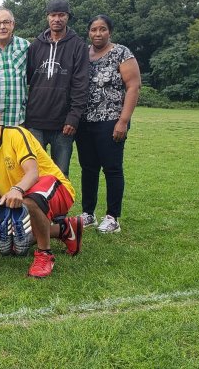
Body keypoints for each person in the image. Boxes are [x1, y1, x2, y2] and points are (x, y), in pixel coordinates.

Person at [0, 98, 84, 278]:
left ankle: (44, 254)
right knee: (11, 247)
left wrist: (17, 190)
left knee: (30, 201)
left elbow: (33, 173)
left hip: (56, 189)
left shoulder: (16, 134)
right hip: (22, 200)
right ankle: (65, 229)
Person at [76, 15, 141, 234]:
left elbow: (133, 86)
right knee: (88, 168)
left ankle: (113, 217)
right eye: (93, 30)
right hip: (85, 122)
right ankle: (88, 213)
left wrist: (123, 121)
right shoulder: (84, 54)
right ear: (89, 32)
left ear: (109, 32)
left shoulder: (121, 53)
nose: (97, 33)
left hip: (111, 120)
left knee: (112, 169)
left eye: (102, 29)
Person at [24, 0, 89, 177]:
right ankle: (38, 206)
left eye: (62, 15)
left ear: (68, 17)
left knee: (60, 173)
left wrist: (74, 117)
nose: (57, 19)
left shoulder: (78, 46)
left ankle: (59, 206)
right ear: (47, 17)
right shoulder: (36, 46)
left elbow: (81, 84)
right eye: (53, 15)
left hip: (63, 123)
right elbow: (28, 79)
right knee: (35, 173)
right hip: (35, 121)